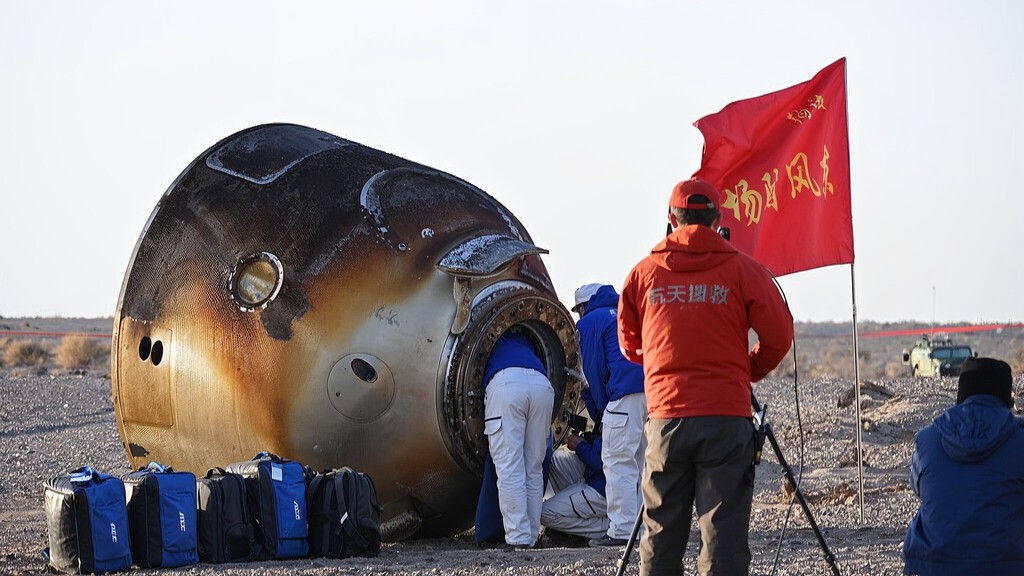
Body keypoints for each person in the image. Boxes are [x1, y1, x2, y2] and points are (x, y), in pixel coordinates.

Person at [617, 178, 793, 576]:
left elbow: (629, 345)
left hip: (666, 420)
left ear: (670, 219)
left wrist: (664, 372)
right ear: (718, 220)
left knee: (660, 537)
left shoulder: (643, 274)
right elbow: (780, 336)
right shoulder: (743, 270)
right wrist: (744, 371)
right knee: (722, 540)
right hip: (726, 420)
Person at [903, 357, 1024, 575]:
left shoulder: (928, 438)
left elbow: (919, 489)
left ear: (961, 394)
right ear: (1007, 398)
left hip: (933, 566)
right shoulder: (1019, 439)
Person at [571, 283, 647, 547]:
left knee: (617, 462)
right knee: (640, 463)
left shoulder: (590, 322)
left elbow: (592, 372)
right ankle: (641, 530)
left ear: (584, 306)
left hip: (623, 395)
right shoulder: (630, 313)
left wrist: (601, 414)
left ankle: (622, 531)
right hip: (651, 394)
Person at [479, 329, 554, 549]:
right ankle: (530, 536)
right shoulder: (526, 342)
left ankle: (517, 537)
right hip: (542, 385)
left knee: (510, 466)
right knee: (534, 467)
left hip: (507, 385)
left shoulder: (493, 342)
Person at [541, 430, 609, 540]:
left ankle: (608, 527)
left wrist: (580, 445)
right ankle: (571, 514)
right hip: (596, 476)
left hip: (605, 490)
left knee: (544, 514)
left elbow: (603, 463)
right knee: (555, 460)